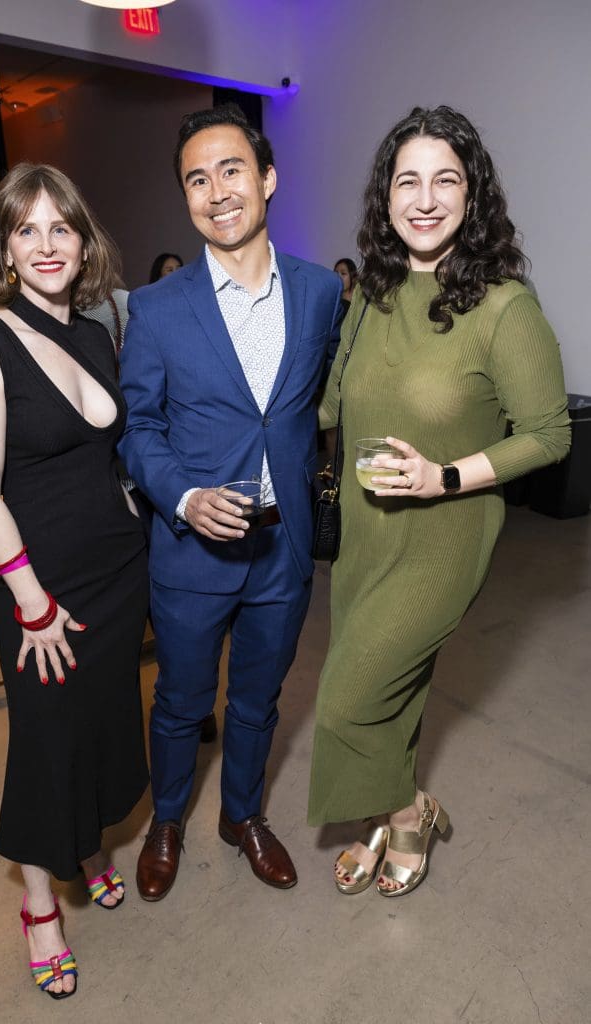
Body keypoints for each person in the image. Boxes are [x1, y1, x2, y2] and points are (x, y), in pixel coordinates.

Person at [308, 106, 570, 898]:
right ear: (384, 196)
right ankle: (380, 819)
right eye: (407, 181)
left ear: (471, 195)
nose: (423, 199)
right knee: (395, 693)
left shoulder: (503, 307)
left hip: (443, 533)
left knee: (346, 700)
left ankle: (409, 811)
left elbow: (549, 434)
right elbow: (331, 404)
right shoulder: (370, 294)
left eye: (444, 180)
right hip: (365, 529)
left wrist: (444, 477)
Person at [119, 103, 341, 900]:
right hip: (191, 553)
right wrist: (181, 496)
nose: (216, 191)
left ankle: (241, 814)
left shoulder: (320, 292)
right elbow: (138, 428)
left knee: (257, 699)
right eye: (196, 179)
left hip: (283, 548)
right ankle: (167, 821)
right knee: (180, 702)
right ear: (185, 195)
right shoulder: (155, 307)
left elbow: (325, 398)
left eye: (231, 170)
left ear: (268, 178)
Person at [0, 163, 149, 998]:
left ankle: (89, 847)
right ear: (4, 248)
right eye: (25, 230)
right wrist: (31, 603)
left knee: (103, 723)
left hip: (116, 574)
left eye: (59, 227)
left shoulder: (95, 335)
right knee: (46, 741)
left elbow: (106, 459)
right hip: (44, 587)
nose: (45, 245)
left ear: (82, 241)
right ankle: (39, 905)